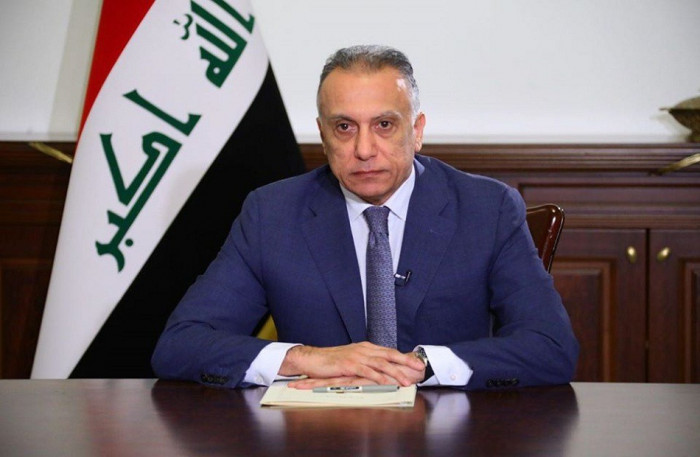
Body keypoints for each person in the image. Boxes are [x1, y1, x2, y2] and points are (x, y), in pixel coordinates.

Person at [151, 45, 579, 390]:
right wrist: (305, 358)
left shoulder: (487, 208)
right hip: (317, 436)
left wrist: (421, 366)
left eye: (384, 125)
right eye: (344, 127)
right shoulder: (272, 214)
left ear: (417, 130)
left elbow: (551, 347)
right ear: (323, 134)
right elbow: (181, 344)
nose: (364, 149)